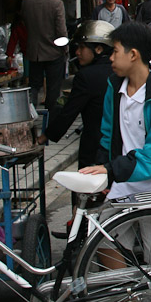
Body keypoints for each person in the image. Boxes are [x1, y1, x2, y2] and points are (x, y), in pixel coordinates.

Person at [79, 22, 151, 302]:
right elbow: (107, 134)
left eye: (114, 52)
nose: (110, 58)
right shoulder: (114, 88)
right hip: (122, 185)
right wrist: (102, 172)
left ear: (133, 55)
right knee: (99, 241)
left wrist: (110, 169)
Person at [37, 21, 114, 206]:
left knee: (85, 194)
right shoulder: (118, 71)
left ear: (97, 49)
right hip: (121, 145)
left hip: (94, 145)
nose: (77, 53)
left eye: (81, 48)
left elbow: (68, 113)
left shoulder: (86, 77)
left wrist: (45, 136)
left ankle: (79, 229)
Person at [21, 0, 68, 114]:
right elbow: (61, 30)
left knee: (34, 85)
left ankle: (30, 112)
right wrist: (65, 48)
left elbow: (25, 25)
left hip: (34, 51)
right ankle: (51, 116)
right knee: (53, 87)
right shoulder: (57, 4)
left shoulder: (27, 3)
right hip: (54, 52)